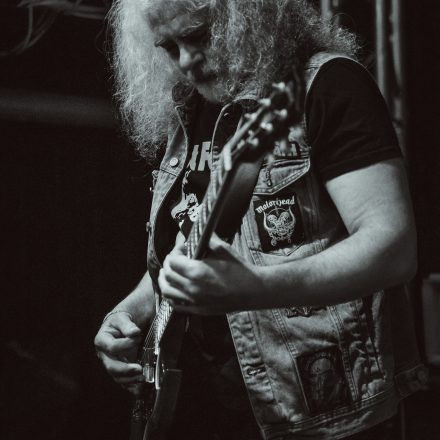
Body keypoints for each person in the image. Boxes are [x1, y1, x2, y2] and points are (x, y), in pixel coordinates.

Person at [94, 1, 427, 439]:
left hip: (314, 412)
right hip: (199, 406)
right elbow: (188, 248)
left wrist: (255, 288)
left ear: (247, 15)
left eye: (198, 36)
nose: (186, 61)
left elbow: (393, 247)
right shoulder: (189, 107)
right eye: (169, 47)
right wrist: (130, 311)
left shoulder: (326, 84)